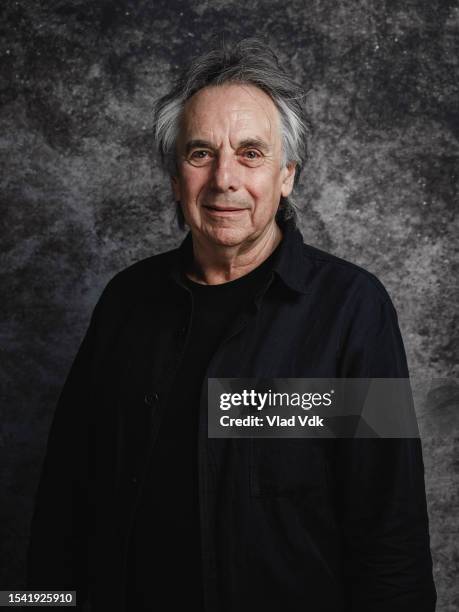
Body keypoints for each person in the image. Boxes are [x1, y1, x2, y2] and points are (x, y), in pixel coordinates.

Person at [27, 38, 436, 612]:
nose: (224, 178)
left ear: (286, 176)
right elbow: (61, 507)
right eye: (200, 153)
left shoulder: (353, 310)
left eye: (250, 153)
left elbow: (389, 531)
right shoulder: (125, 302)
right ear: (175, 177)